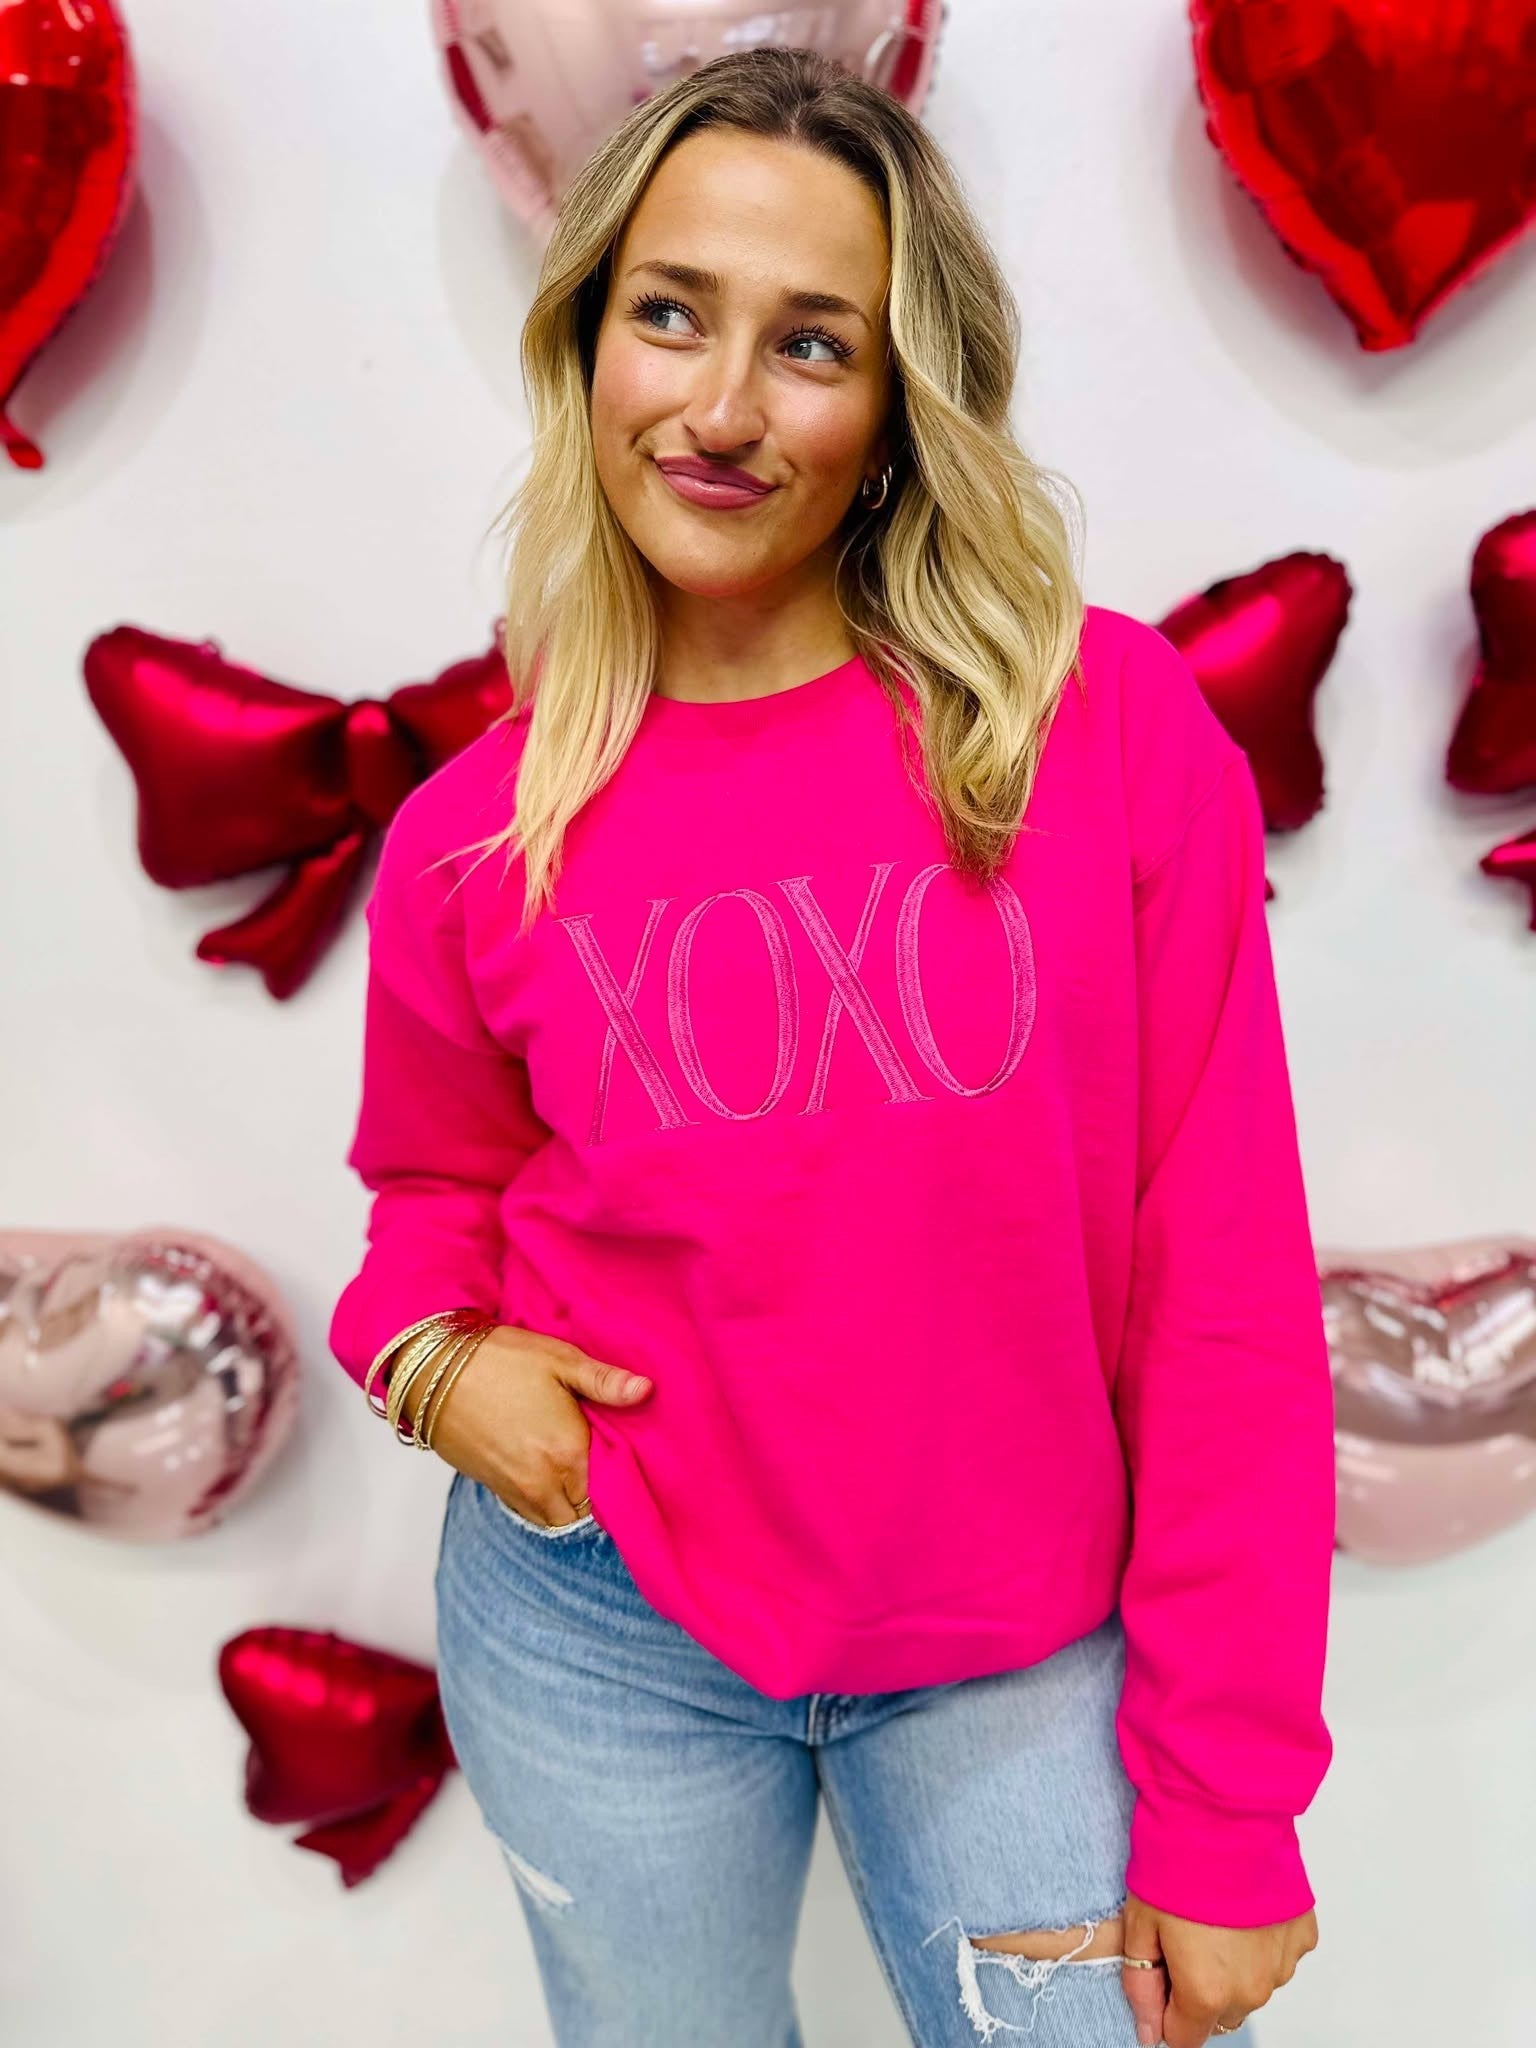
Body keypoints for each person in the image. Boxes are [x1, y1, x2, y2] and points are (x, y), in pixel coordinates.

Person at [328, 46, 1333, 2048]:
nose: (718, 406)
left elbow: (1223, 1285)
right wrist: (433, 1363)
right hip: (598, 1621)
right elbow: (427, 1194)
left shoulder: (1100, 736)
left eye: (811, 345)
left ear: (895, 407)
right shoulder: (479, 834)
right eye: (670, 314)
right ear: (587, 344)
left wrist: (1229, 1814)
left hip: (1010, 1640)